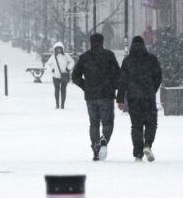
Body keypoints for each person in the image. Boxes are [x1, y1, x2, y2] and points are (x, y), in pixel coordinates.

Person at [71, 33, 120, 161]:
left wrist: (85, 86)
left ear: (90, 42)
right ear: (102, 42)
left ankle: (95, 147)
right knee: (108, 121)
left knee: (94, 123)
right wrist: (112, 86)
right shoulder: (109, 55)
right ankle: (104, 139)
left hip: (91, 96)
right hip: (106, 95)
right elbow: (118, 75)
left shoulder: (84, 57)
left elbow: (75, 76)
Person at [116, 35, 162, 162]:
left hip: (133, 97)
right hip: (148, 96)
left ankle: (138, 153)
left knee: (136, 125)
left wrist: (120, 98)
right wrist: (153, 89)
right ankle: (147, 144)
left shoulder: (127, 61)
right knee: (151, 123)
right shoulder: (152, 59)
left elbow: (122, 81)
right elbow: (158, 77)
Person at [44, 41, 74, 109]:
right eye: (57, 48)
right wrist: (51, 69)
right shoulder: (53, 57)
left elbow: (72, 62)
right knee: (56, 90)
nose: (58, 50)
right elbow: (47, 64)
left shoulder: (66, 55)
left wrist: (68, 68)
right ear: (55, 49)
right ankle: (57, 104)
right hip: (55, 76)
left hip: (64, 76)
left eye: (59, 48)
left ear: (62, 48)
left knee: (63, 90)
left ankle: (62, 105)